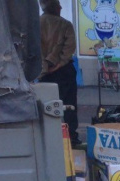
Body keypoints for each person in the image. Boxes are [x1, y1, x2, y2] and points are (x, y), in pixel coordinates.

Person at [38, 0, 80, 145]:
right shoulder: (66, 24)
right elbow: (69, 49)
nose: (61, 7)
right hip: (64, 72)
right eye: (58, 5)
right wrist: (58, 65)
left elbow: (31, 49)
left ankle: (47, 138)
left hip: (43, 74)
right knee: (69, 105)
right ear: (56, 8)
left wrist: (44, 68)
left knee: (46, 106)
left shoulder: (36, 24)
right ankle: (71, 138)